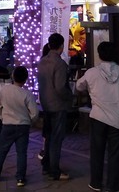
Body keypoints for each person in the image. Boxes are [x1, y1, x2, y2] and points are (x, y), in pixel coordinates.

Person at [76, 42, 119, 192]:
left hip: (97, 118)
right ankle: (113, 185)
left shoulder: (92, 73)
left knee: (97, 152)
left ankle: (96, 183)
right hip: (118, 120)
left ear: (99, 54)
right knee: (115, 154)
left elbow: (79, 86)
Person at [0, 66, 39, 187]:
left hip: (8, 124)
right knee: (22, 152)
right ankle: (20, 178)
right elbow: (35, 113)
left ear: (12, 76)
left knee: (2, 150)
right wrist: (29, 121)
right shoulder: (27, 94)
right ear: (25, 79)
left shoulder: (4, 90)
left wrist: (2, 117)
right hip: (23, 126)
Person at [37, 33, 73, 181]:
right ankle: (54, 170)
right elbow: (60, 87)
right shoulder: (60, 64)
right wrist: (69, 97)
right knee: (56, 139)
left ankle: (46, 166)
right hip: (58, 105)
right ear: (61, 46)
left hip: (45, 103)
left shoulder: (42, 61)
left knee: (49, 136)